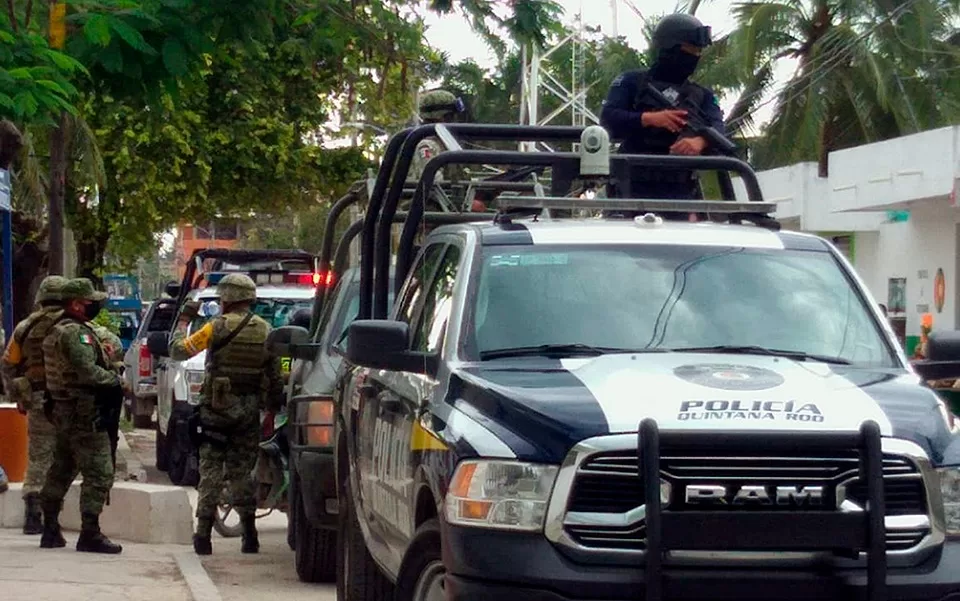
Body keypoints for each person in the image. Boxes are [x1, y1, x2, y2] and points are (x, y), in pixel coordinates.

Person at [167, 273, 284, 556]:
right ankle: (249, 534)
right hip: (248, 412)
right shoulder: (267, 330)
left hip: (217, 410)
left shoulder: (216, 327)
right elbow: (275, 376)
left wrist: (183, 321)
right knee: (242, 472)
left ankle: (203, 536)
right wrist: (271, 408)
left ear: (227, 299)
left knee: (210, 470)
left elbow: (178, 351)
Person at [39, 278, 125, 554]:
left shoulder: (56, 329)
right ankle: (90, 532)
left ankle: (50, 527)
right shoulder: (76, 333)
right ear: (77, 304)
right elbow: (88, 372)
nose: (95, 306)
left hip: (65, 411)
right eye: (90, 302)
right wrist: (115, 378)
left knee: (61, 469)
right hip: (85, 413)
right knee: (99, 473)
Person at [600, 13, 723, 207]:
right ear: (669, 48)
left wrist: (699, 141)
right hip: (630, 185)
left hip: (681, 189)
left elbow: (718, 129)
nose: (695, 57)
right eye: (689, 50)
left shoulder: (702, 95)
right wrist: (649, 119)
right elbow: (608, 119)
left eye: (698, 52)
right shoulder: (631, 82)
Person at [1, 275, 69, 535]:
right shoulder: (70, 324)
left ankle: (33, 510)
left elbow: (8, 364)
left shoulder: (25, 327)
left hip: (37, 399)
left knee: (38, 456)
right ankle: (54, 513)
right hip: (67, 400)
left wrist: (17, 395)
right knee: (64, 457)